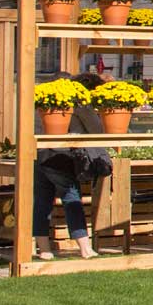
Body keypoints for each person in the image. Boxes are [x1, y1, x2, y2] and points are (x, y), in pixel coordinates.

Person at [33, 73, 108, 260]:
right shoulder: (78, 104)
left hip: (39, 154)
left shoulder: (41, 102)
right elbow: (97, 130)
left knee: (42, 202)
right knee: (72, 198)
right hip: (62, 155)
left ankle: (44, 249)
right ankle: (85, 248)